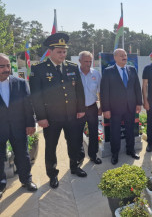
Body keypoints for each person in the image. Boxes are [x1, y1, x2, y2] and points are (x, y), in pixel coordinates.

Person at [29, 33, 87, 189]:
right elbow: (36, 96)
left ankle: (75, 167)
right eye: (59, 52)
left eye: (64, 51)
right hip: (51, 117)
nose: (63, 54)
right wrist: (41, 117)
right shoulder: (39, 69)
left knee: (74, 143)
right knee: (51, 146)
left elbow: (79, 91)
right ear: (50, 52)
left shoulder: (72, 67)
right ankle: (52, 174)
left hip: (72, 115)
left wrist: (81, 109)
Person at [0, 54, 37, 198]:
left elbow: (28, 105)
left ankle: (26, 180)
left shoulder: (20, 83)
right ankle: (1, 184)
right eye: (2, 66)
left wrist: (30, 124)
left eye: (8, 65)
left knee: (23, 155)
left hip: (18, 127)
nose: (6, 69)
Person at [100, 48, 142, 165]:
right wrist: (106, 109)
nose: (124, 57)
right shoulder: (108, 72)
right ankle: (115, 154)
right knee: (115, 132)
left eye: (125, 55)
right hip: (115, 108)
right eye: (121, 55)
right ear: (115, 58)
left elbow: (137, 88)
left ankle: (131, 150)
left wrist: (139, 103)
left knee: (130, 130)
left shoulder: (132, 69)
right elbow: (104, 92)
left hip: (130, 106)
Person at [77, 51, 102, 164]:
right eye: (86, 61)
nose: (88, 63)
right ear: (80, 61)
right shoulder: (74, 74)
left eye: (90, 61)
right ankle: (80, 156)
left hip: (92, 107)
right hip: (78, 109)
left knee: (93, 132)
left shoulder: (96, 74)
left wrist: (101, 106)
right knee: (77, 134)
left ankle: (93, 155)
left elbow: (100, 92)